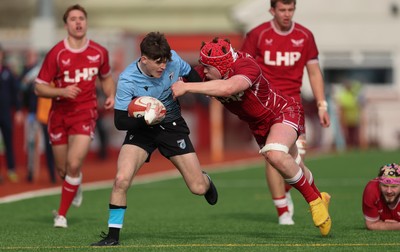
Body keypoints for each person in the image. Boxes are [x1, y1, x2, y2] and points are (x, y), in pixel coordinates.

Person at [171, 37, 331, 236]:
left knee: (275, 154)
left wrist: (187, 87)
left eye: (207, 68)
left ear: (222, 65)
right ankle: (320, 197)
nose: (203, 71)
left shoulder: (246, 65)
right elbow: (176, 82)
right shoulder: (206, 72)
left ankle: (313, 201)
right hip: (259, 125)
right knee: (295, 165)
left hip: (283, 111)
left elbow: (229, 87)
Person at [90, 32, 218, 246]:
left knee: (197, 188)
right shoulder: (128, 78)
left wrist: (205, 90)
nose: (163, 66)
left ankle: (206, 181)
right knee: (121, 179)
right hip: (142, 129)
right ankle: (113, 237)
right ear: (144, 59)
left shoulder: (173, 59)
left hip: (172, 126)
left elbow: (191, 76)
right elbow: (120, 121)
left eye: (165, 61)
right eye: (158, 62)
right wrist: (147, 120)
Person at [240, 0, 330, 225]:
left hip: (293, 105)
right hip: (265, 106)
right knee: (274, 154)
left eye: (291, 9)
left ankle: (289, 191)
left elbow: (314, 72)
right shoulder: (257, 35)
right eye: (282, 10)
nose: (287, 14)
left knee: (296, 159)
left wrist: (322, 105)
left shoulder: (305, 36)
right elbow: (241, 68)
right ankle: (283, 211)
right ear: (272, 10)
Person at [34, 4, 116, 228]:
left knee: (73, 162)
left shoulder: (99, 52)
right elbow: (39, 87)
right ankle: (75, 182)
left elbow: (106, 77)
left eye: (81, 18)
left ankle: (61, 215)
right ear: (66, 24)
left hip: (85, 113)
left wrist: (110, 94)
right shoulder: (57, 53)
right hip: (59, 114)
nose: (78, 22)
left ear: (86, 22)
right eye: (73, 19)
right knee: (63, 169)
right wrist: (61, 91)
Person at [19, 49, 56, 184]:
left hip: (50, 114)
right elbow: (22, 88)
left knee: (51, 144)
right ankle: (31, 172)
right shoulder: (31, 73)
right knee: (31, 143)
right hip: (34, 113)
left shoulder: (54, 73)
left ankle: (53, 172)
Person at [0, 43, 23, 183]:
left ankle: (11, 170)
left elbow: (16, 93)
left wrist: (19, 109)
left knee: (9, 143)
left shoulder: (8, 73)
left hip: (6, 113)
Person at [362, 163, 400, 230]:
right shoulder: (371, 190)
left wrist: (385, 225)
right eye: (385, 186)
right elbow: (371, 224)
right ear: (379, 184)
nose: (389, 191)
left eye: (394, 186)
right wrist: (396, 225)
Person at [336, 79, 362, 150]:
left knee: (354, 135)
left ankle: (354, 148)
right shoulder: (343, 95)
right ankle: (347, 148)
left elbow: (358, 105)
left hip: (354, 118)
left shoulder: (354, 94)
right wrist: (341, 119)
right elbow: (341, 108)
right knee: (347, 135)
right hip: (346, 119)